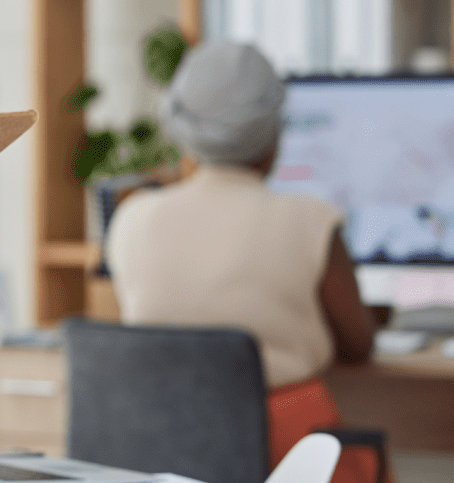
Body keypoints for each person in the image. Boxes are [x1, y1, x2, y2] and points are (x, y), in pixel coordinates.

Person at [106, 41, 381, 483]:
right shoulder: (311, 220)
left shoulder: (132, 216)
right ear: (272, 134)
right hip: (285, 458)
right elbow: (357, 345)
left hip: (163, 453)